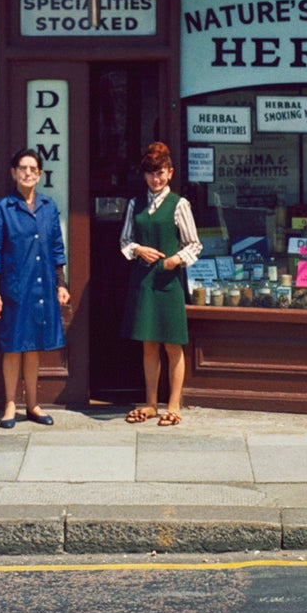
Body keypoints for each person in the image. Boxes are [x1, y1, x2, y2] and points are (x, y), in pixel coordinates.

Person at [0, 147, 70, 428]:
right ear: (13, 173)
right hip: (14, 287)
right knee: (12, 346)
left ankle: (32, 404)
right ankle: (10, 405)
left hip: (42, 286)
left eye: (33, 169)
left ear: (40, 174)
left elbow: (57, 247)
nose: (28, 173)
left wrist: (61, 283)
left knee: (33, 347)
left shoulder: (48, 206)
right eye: (23, 168)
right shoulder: (3, 208)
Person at [118, 141, 200, 426]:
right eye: (151, 173)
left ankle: (174, 404)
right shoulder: (135, 204)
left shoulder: (180, 204)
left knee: (173, 345)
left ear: (171, 173)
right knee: (149, 344)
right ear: (144, 175)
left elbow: (194, 244)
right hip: (143, 281)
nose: (157, 178)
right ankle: (151, 403)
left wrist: (174, 260)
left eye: (161, 172)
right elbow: (125, 241)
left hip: (168, 282)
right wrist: (138, 249)